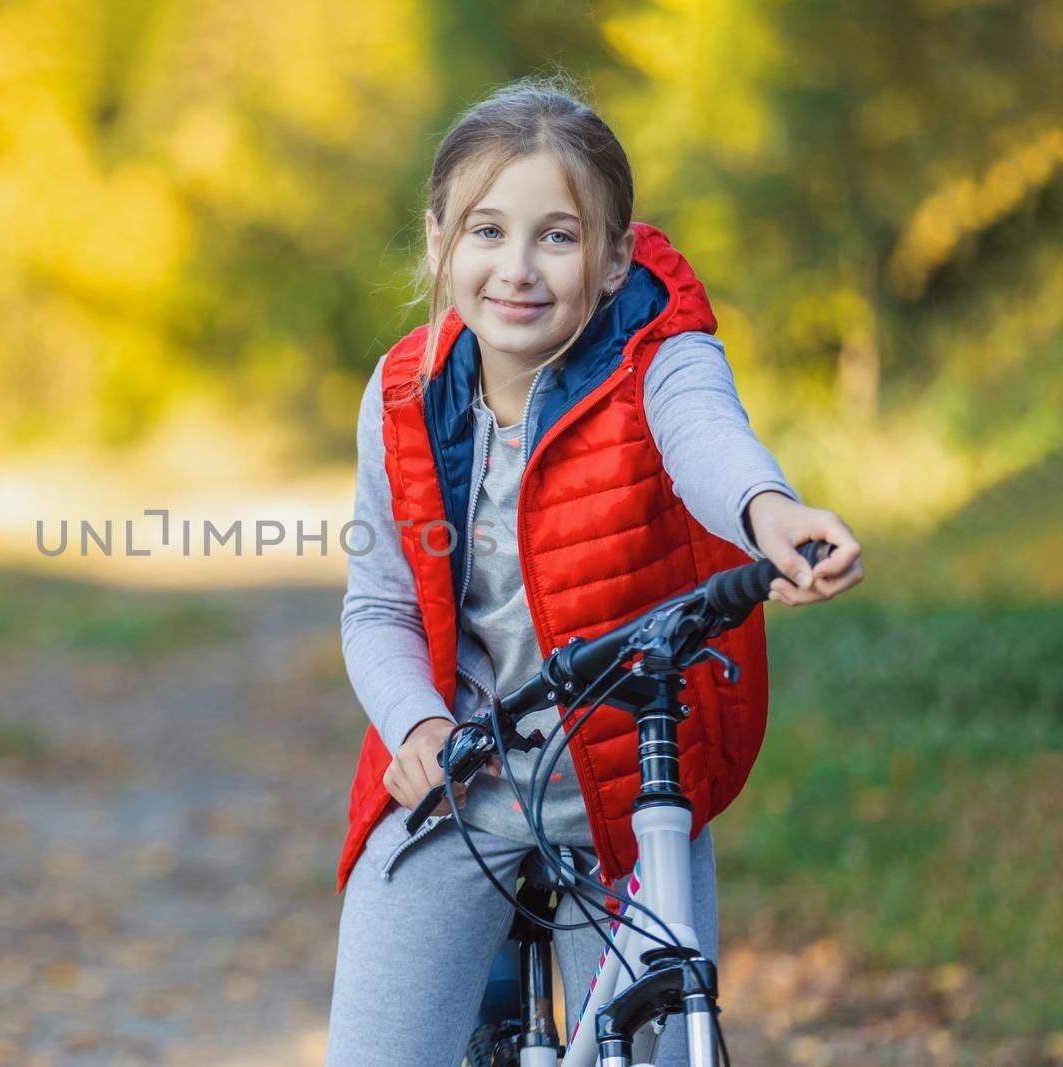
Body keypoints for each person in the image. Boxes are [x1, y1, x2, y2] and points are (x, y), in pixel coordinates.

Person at [325, 77, 864, 1066]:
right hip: (462, 780)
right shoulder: (404, 393)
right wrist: (415, 722)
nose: (517, 269)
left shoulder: (664, 359)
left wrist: (772, 516)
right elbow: (380, 602)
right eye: (486, 231)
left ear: (615, 256)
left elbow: (710, 442)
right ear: (438, 238)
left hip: (625, 783)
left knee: (661, 1042)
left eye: (558, 236)